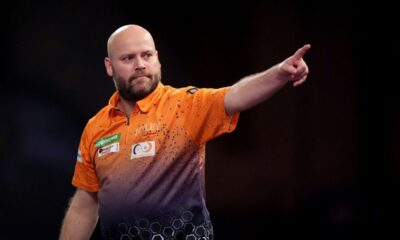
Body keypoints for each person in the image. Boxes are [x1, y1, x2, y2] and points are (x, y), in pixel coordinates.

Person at [59, 24, 310, 240]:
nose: (140, 65)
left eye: (147, 55)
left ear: (157, 58)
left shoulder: (184, 106)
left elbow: (235, 95)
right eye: (128, 58)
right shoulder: (96, 127)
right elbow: (86, 203)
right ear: (109, 66)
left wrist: (279, 73)